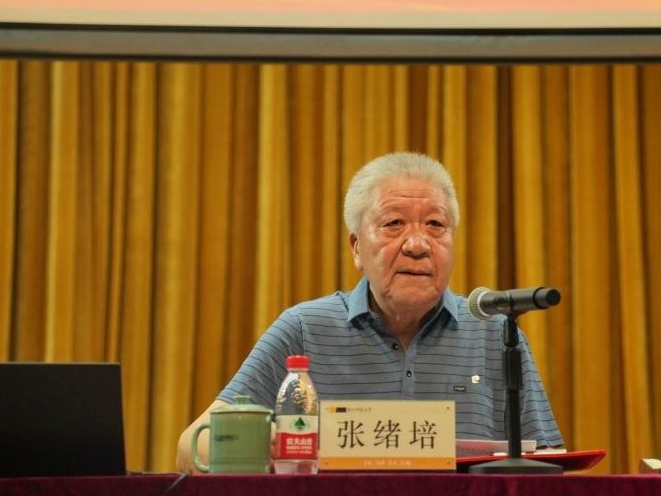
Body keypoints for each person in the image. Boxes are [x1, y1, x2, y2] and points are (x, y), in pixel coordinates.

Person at [176, 151, 564, 472]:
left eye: (435, 225)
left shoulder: (494, 333)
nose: (418, 244)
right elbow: (192, 448)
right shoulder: (305, 328)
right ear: (357, 247)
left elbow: (549, 463)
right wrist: (274, 443)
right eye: (394, 224)